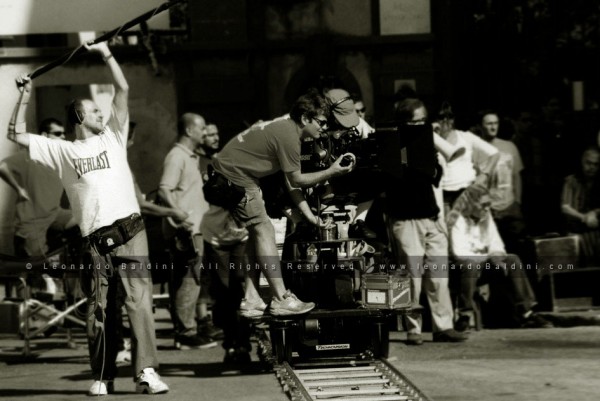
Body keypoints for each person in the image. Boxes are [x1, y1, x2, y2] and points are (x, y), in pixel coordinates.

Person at [8, 42, 168, 396]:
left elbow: (122, 88)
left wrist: (106, 53)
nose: (100, 112)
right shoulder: (63, 150)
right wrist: (25, 94)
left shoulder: (113, 135)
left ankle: (146, 372)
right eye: (93, 110)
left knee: (139, 303)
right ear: (78, 117)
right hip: (95, 240)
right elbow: (14, 134)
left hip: (132, 231)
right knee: (99, 310)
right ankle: (103, 376)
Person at [210, 88, 355, 317]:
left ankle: (251, 299)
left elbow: (291, 183)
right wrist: (332, 171)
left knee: (256, 233)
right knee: (264, 229)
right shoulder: (289, 136)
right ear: (305, 118)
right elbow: (297, 180)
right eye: (321, 122)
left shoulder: (286, 128)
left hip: (233, 174)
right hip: (235, 176)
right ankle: (281, 299)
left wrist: (311, 217)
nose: (324, 128)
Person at [387, 98, 467, 345]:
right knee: (411, 275)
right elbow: (397, 178)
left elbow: (435, 177)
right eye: (417, 121)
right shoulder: (393, 144)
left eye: (424, 120)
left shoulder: (426, 143)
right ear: (404, 122)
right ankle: (413, 328)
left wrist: (431, 155)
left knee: (439, 276)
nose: (423, 125)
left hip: (430, 216)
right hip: (406, 219)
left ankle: (444, 326)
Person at [448, 191, 553, 330]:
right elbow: (460, 253)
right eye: (483, 205)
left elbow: (496, 244)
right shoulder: (457, 220)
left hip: (482, 265)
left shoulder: (486, 217)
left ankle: (526, 312)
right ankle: (465, 315)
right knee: (470, 265)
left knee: (512, 259)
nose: (487, 208)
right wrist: (489, 258)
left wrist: (496, 256)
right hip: (459, 268)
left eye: (488, 204)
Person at [158, 113, 217, 350]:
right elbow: (164, 189)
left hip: (194, 228)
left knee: (188, 280)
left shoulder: (190, 157)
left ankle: (185, 330)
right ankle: (186, 333)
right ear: (190, 131)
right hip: (187, 230)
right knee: (188, 281)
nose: (205, 133)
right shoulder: (177, 156)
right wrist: (178, 215)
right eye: (202, 128)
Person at [0, 118, 74, 258]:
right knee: (38, 266)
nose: (63, 137)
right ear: (44, 136)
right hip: (32, 224)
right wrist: (18, 189)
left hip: (54, 214)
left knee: (86, 219)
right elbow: (2, 166)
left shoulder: (58, 159)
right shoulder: (28, 157)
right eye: (58, 134)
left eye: (64, 133)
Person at [477, 110, 526, 253]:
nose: (493, 127)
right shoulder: (475, 148)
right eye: (489, 124)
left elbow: (517, 176)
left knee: (515, 248)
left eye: (496, 123)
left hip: (510, 207)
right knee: (493, 251)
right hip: (488, 209)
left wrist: (517, 201)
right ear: (481, 126)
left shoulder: (510, 147)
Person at [560, 146, 600, 265]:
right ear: (582, 162)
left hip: (595, 232)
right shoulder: (571, 181)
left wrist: (595, 212)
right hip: (575, 231)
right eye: (588, 163)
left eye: (596, 164)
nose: (591, 167)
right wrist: (584, 217)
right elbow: (565, 207)